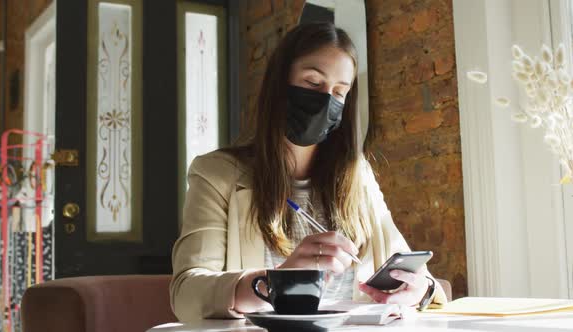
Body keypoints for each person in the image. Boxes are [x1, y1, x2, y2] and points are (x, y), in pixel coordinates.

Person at [169, 22, 447, 322]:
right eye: (313, 84)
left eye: (340, 92)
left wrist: (421, 289)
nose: (326, 99)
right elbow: (186, 293)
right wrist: (275, 281)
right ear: (280, 83)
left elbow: (419, 276)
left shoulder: (359, 177)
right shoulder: (216, 175)